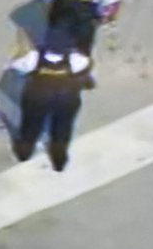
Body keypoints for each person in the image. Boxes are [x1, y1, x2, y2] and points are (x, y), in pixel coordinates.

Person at [7, 27, 93, 172]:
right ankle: (59, 160)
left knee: (31, 127)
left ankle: (24, 153)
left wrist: (21, 49)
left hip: (37, 99)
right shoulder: (77, 59)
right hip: (66, 100)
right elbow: (88, 77)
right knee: (62, 129)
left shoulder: (33, 58)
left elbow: (15, 66)